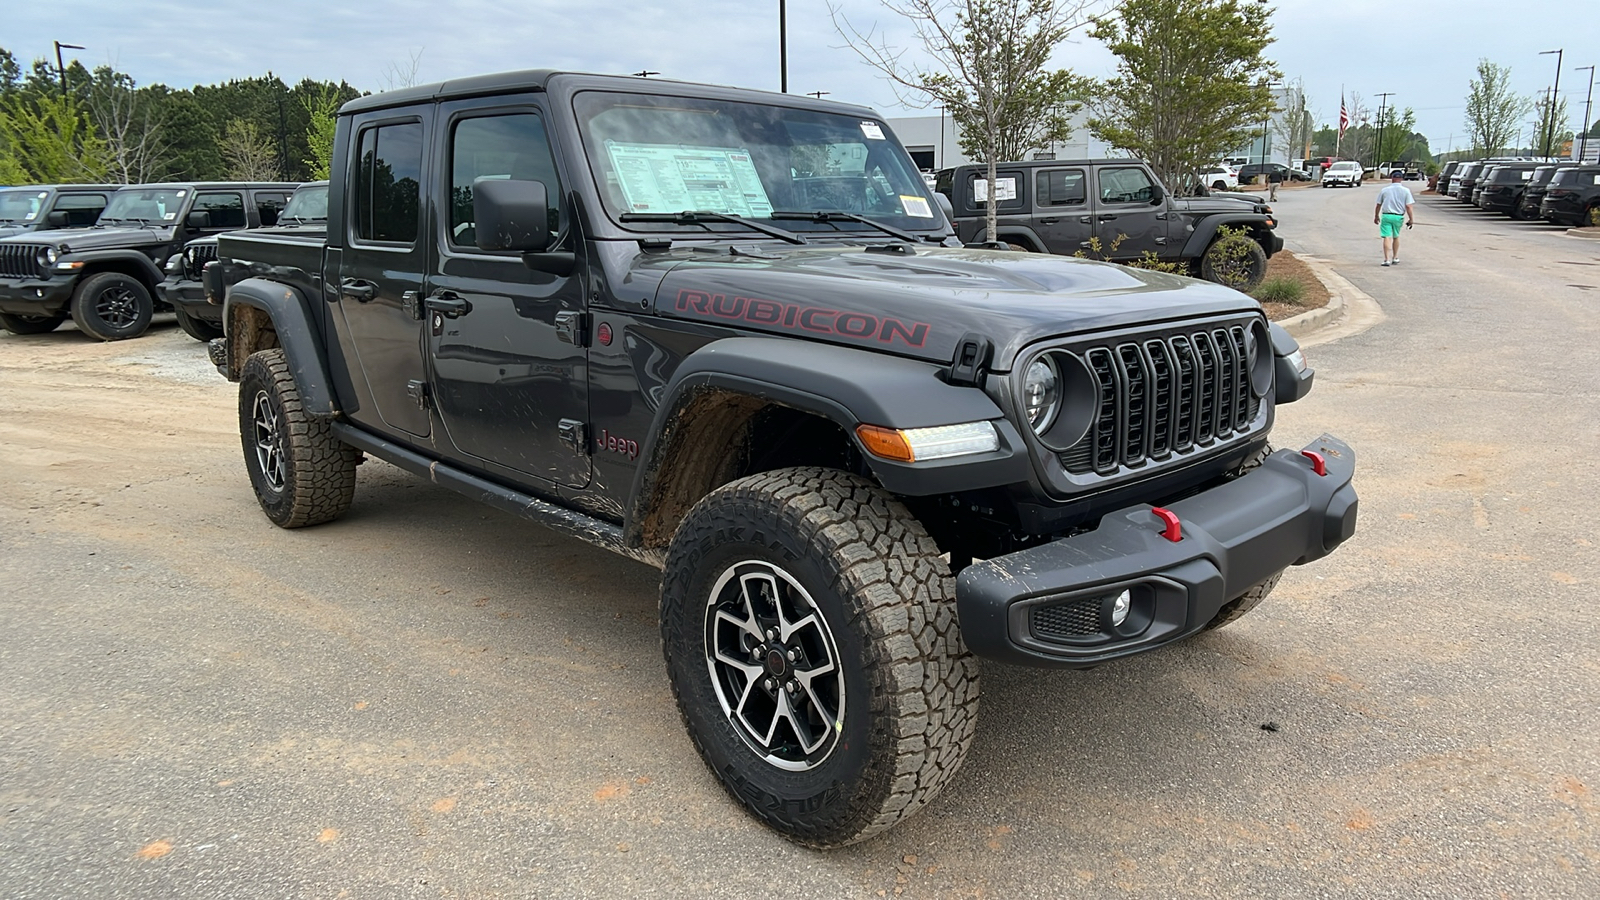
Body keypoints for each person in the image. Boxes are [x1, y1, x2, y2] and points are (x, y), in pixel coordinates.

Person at [1374, 169, 1414, 266]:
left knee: (1387, 237)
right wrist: (1411, 219)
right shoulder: (1406, 191)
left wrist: (1376, 216)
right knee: (1396, 236)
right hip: (1398, 216)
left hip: (1387, 215)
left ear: (1392, 178)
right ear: (1401, 179)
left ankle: (1386, 259)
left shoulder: (1385, 190)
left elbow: (1378, 204)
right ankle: (1395, 257)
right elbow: (1408, 206)